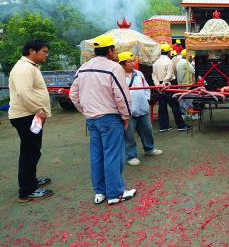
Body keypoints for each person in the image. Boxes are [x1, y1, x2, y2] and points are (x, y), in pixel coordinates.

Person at [69, 35, 136, 205]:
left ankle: (99, 192)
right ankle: (115, 193)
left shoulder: (83, 68)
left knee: (97, 155)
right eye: (114, 50)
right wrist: (126, 116)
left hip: (92, 119)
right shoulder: (114, 68)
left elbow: (73, 95)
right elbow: (121, 96)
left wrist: (85, 111)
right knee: (113, 155)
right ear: (110, 51)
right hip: (110, 118)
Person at [9, 40, 53, 202]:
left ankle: (31, 181)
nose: (46, 55)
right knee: (30, 153)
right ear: (31, 51)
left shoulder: (30, 66)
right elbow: (23, 93)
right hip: (26, 116)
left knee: (32, 151)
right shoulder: (23, 68)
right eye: (44, 51)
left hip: (30, 115)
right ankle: (27, 191)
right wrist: (38, 111)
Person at [118, 52, 163, 166]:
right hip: (129, 111)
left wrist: (146, 99)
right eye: (130, 61)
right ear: (123, 64)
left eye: (133, 61)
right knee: (129, 135)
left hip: (143, 108)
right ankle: (131, 156)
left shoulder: (138, 74)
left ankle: (149, 149)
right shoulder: (118, 76)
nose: (133, 63)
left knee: (147, 130)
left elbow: (146, 87)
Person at [152, 44, 190, 132]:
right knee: (175, 105)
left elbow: (154, 75)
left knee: (162, 106)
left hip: (160, 85)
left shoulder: (155, 62)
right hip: (169, 83)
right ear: (169, 52)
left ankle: (164, 126)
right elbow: (169, 74)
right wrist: (164, 84)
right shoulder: (169, 61)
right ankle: (181, 125)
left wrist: (158, 85)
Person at [176, 49, 196, 119]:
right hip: (186, 84)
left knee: (181, 99)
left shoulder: (178, 62)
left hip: (180, 84)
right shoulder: (186, 62)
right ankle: (192, 115)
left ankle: (184, 114)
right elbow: (193, 71)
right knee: (189, 99)